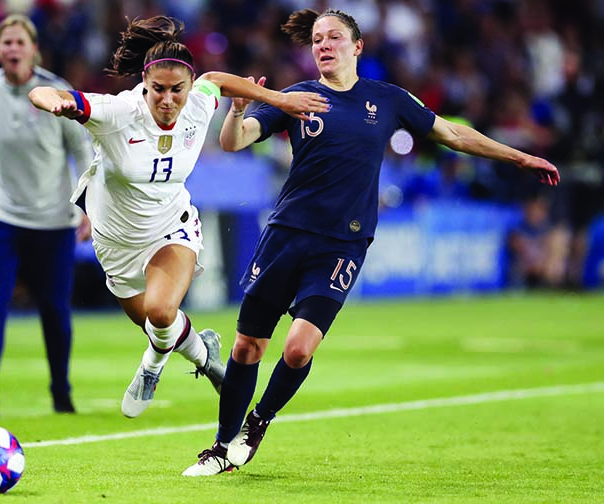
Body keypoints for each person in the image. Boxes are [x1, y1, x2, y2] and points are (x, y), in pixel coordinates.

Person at [182, 8, 560, 476]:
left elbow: (452, 134)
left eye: (334, 37)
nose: (323, 45)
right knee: (246, 349)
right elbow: (238, 141)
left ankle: (256, 425)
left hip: (343, 243)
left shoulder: (387, 99)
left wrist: (519, 157)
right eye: (317, 39)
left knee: (299, 348)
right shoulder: (295, 97)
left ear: (357, 46)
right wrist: (238, 111)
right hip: (286, 234)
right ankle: (221, 447)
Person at [28, 15, 329, 419]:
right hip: (115, 241)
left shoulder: (198, 105)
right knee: (155, 326)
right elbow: (42, 91)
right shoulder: (118, 112)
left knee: (160, 312)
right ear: (145, 86)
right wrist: (58, 104)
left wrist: (279, 99)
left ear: (188, 87)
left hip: (172, 227)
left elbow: (217, 80)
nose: (168, 100)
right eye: (158, 91)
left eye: (177, 90)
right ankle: (205, 355)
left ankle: (150, 368)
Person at [0, 14, 94, 416]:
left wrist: (86, 206)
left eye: (19, 42)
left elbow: (81, 150)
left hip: (53, 220)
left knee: (54, 308)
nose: (12, 49)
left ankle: (61, 392)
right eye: (5, 43)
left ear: (34, 49)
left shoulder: (57, 92)